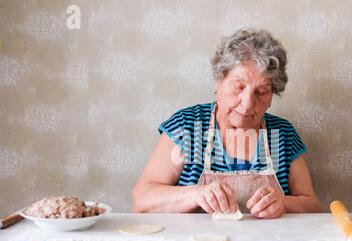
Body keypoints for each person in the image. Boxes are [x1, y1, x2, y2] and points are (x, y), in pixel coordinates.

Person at [132, 28, 321, 218]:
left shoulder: (283, 134)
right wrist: (195, 194)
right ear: (218, 82)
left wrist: (284, 203)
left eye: (261, 92)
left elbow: (312, 206)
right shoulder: (186, 126)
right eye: (238, 87)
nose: (247, 105)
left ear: (272, 95)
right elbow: (141, 200)